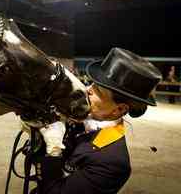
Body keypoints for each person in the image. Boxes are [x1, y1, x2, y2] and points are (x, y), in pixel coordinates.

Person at [31, 47, 162, 194]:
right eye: (91, 83)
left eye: (98, 91)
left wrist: (53, 152)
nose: (87, 90)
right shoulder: (82, 118)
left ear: (119, 109)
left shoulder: (112, 164)